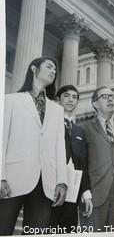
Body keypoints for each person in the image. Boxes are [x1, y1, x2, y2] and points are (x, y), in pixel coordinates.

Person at [0, 57, 67, 235]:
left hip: (46, 182)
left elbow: (59, 148)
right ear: (34, 69)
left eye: (55, 69)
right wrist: (1, 176)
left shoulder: (57, 110)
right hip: (12, 180)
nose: (53, 71)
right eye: (49, 67)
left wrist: (61, 181)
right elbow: (2, 141)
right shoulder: (11, 100)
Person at [77, 86, 114, 232]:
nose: (110, 99)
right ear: (95, 103)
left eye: (112, 96)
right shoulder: (83, 128)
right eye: (105, 97)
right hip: (95, 195)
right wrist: (85, 192)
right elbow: (80, 163)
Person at [49, 85, 93, 233]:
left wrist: (86, 193)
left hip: (72, 193)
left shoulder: (79, 131)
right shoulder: (48, 123)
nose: (71, 100)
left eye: (75, 97)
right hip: (49, 189)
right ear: (58, 99)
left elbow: (83, 164)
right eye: (67, 96)